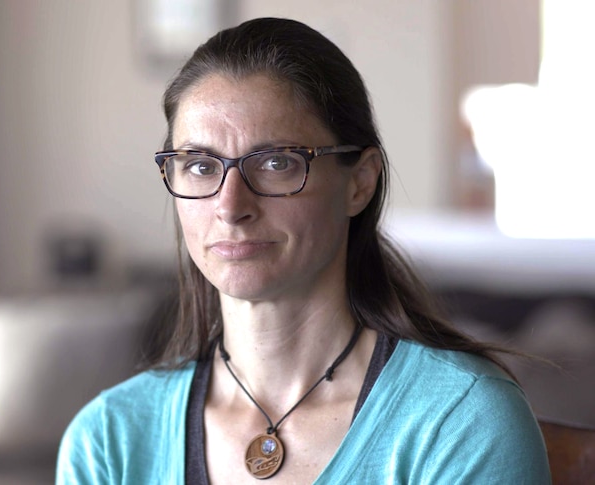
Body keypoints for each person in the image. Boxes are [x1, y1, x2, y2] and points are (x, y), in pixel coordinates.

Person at [56, 17, 550, 484]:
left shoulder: (461, 423)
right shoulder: (107, 441)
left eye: (275, 162)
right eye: (201, 166)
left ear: (360, 182)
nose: (231, 206)